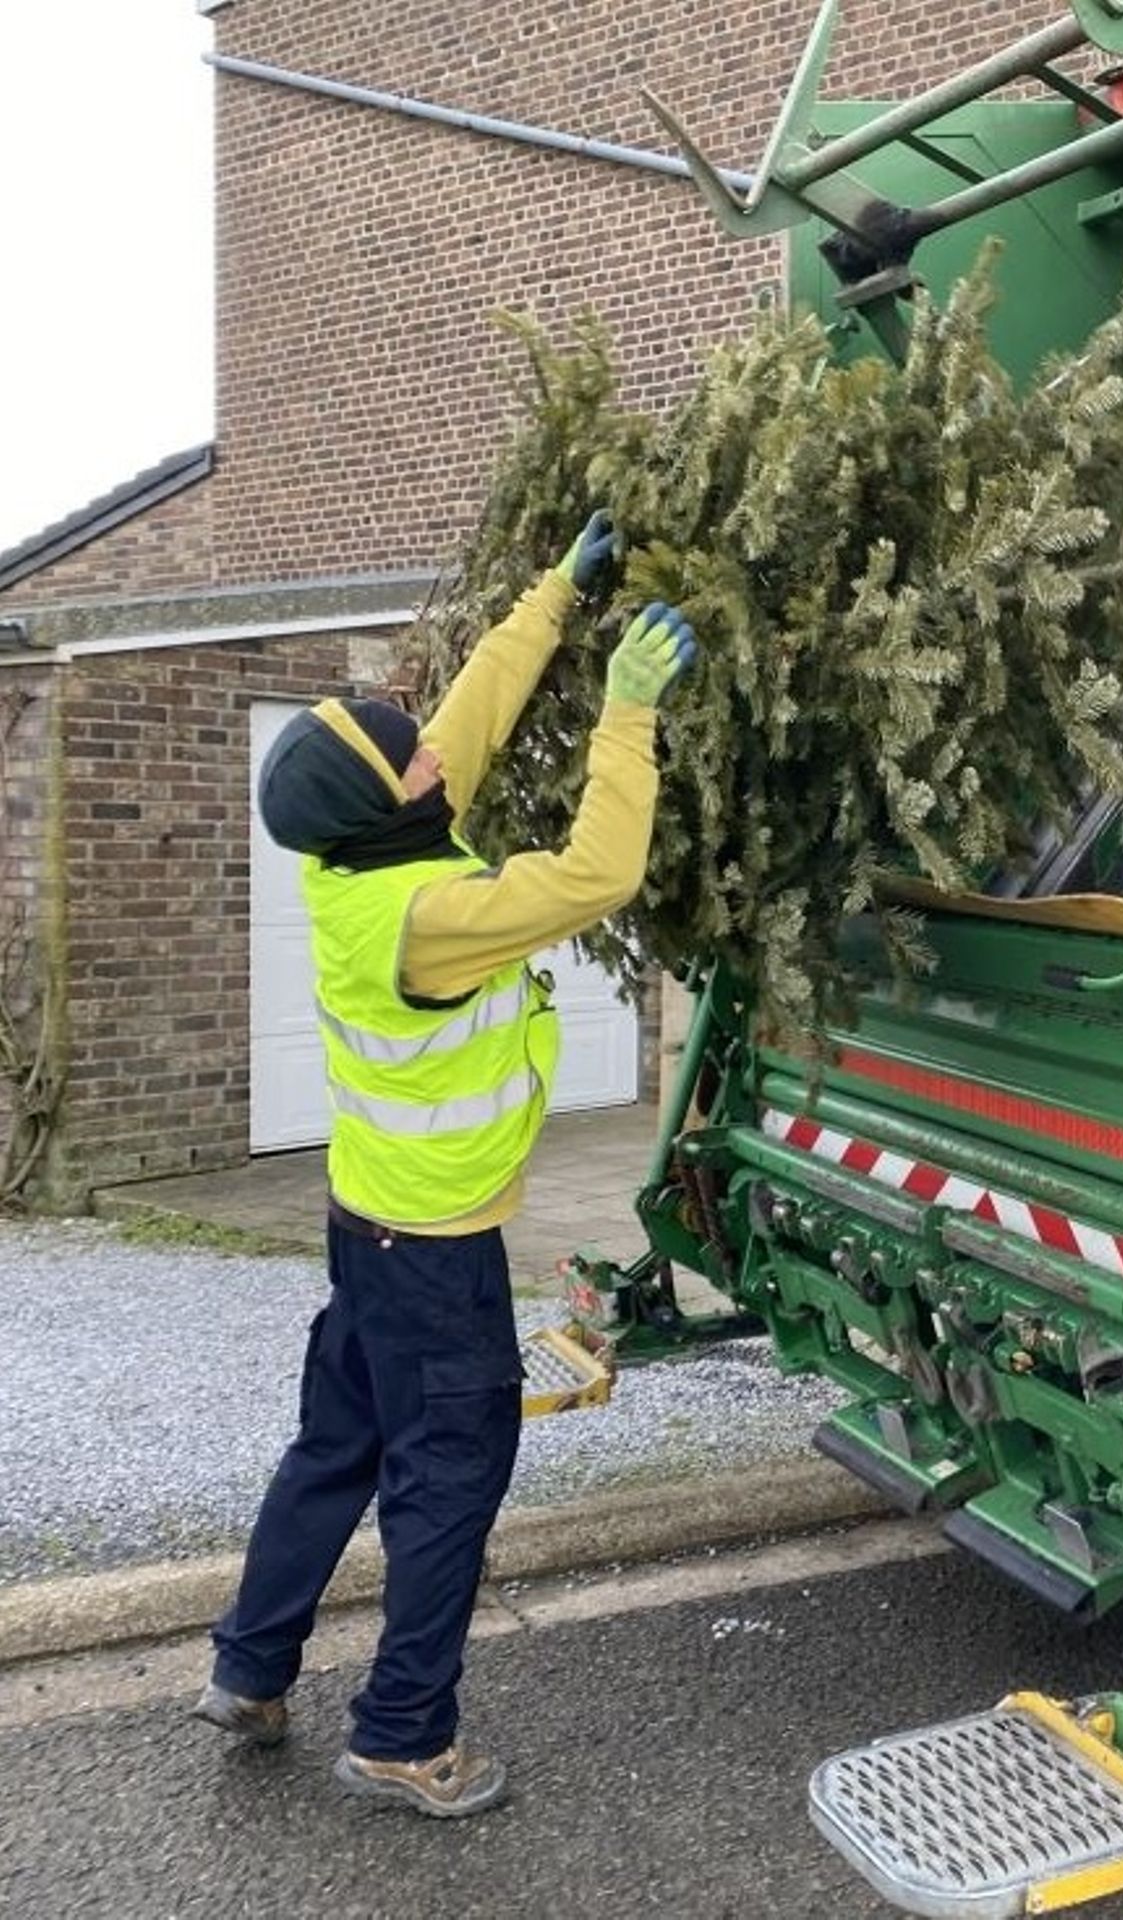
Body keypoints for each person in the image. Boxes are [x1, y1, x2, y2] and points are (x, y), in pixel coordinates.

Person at [192, 513, 694, 1818]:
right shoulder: (431, 918)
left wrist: (557, 596)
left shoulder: (363, 850)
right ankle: (405, 1737)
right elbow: (600, 871)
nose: (431, 755)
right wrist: (628, 711)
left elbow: (462, 717)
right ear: (388, 801)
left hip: (368, 1229)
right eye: (407, 757)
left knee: (335, 1447)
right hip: (435, 1255)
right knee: (449, 1481)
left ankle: (249, 1667)